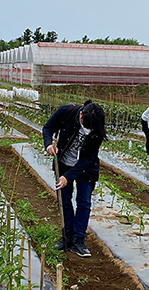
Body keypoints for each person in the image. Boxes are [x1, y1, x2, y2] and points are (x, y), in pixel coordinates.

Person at [43, 99, 107, 257]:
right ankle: (67, 237)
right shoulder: (67, 111)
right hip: (64, 163)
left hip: (86, 169)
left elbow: (88, 159)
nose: (88, 129)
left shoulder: (97, 128)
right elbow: (48, 128)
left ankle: (78, 240)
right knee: (64, 200)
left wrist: (68, 177)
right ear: (80, 115)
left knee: (84, 202)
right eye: (86, 125)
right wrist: (48, 144)